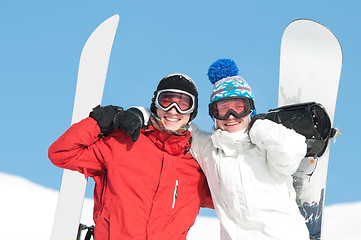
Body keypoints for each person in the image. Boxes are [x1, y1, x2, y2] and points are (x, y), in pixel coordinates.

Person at [118, 59, 310, 240]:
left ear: (250, 109)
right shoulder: (209, 149)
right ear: (213, 114)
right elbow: (174, 122)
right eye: (222, 109)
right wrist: (140, 113)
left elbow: (290, 154)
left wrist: (261, 127)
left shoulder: (263, 146)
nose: (231, 116)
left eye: (239, 107)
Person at [48, 73, 213, 240]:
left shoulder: (196, 169)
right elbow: (62, 154)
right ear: (155, 103)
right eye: (166, 100)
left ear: (193, 111)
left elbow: (234, 201)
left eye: (183, 104)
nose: (173, 110)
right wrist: (98, 123)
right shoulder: (121, 144)